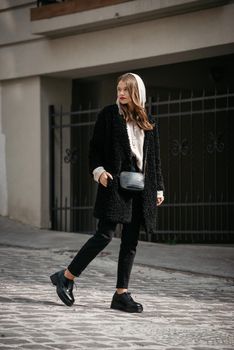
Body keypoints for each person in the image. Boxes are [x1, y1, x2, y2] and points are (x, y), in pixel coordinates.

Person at [50, 72, 165, 313]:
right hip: (114, 184)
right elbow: (94, 149)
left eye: (125, 89)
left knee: (131, 241)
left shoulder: (147, 120)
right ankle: (67, 276)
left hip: (140, 187)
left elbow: (154, 160)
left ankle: (121, 295)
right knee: (104, 235)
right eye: (119, 88)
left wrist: (159, 187)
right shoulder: (109, 116)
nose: (121, 93)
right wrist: (99, 171)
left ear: (136, 93)